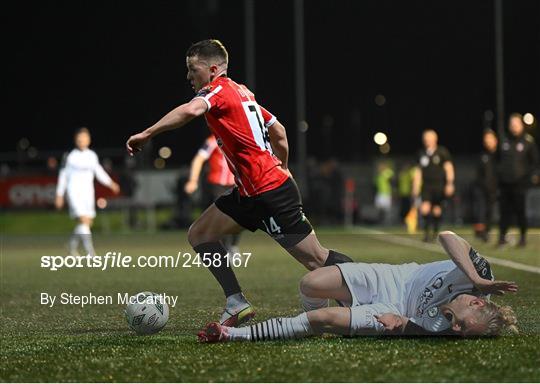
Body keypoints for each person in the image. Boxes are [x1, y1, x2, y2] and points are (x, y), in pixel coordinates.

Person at [126, 39, 354, 327]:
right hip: (250, 192)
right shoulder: (244, 93)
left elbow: (190, 111)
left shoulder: (218, 90)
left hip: (269, 193)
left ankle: (370, 291)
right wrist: (283, 165)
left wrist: (147, 134)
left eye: (191, 69)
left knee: (316, 260)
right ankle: (236, 303)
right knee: (200, 234)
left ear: (211, 70)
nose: (188, 76)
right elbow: (280, 132)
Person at [198, 231, 518, 342]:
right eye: (462, 323)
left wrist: (403, 323)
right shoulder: (479, 277)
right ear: (476, 302)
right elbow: (448, 236)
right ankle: (309, 325)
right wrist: (476, 278)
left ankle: (233, 334)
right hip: (393, 277)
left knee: (322, 319)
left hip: (390, 310)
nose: (456, 329)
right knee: (310, 283)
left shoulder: (449, 329)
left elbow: (419, 328)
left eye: (460, 331)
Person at [55, 127, 120, 256]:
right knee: (84, 220)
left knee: (87, 223)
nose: (82, 141)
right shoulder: (70, 156)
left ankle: (71, 246)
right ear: (75, 140)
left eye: (84, 138)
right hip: (74, 192)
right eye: (79, 138)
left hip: (88, 193)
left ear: (89, 140)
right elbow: (63, 176)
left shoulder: (92, 156)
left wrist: (111, 183)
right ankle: (91, 253)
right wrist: (59, 194)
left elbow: (99, 172)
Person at [184, 134, 240, 252]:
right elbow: (199, 159)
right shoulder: (212, 141)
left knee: (239, 217)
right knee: (221, 217)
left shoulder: (238, 139)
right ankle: (223, 248)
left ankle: (233, 246)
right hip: (217, 185)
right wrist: (193, 180)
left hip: (236, 184)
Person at [496, 113, 540, 247]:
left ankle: (522, 238)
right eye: (511, 124)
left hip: (520, 183)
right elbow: (497, 160)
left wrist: (532, 176)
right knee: (504, 211)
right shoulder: (504, 140)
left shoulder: (528, 141)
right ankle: (502, 237)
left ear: (521, 125)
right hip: (504, 183)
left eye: (516, 123)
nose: (514, 126)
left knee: (521, 211)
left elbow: (535, 162)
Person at [412, 130, 455, 242]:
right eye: (425, 138)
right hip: (426, 186)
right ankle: (426, 234)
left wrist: (449, 183)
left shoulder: (442, 151)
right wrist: (415, 187)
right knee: (425, 209)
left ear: (435, 139)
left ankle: (435, 233)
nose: (427, 140)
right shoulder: (421, 153)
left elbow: (449, 168)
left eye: (429, 138)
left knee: (436, 209)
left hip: (439, 185)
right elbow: (418, 172)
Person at [472, 130, 498, 242]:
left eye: (490, 139)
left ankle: (487, 231)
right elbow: (479, 174)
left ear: (495, 140)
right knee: (480, 210)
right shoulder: (482, 156)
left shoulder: (500, 155)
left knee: (490, 211)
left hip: (495, 188)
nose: (488, 142)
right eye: (486, 140)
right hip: (482, 188)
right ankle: (481, 233)